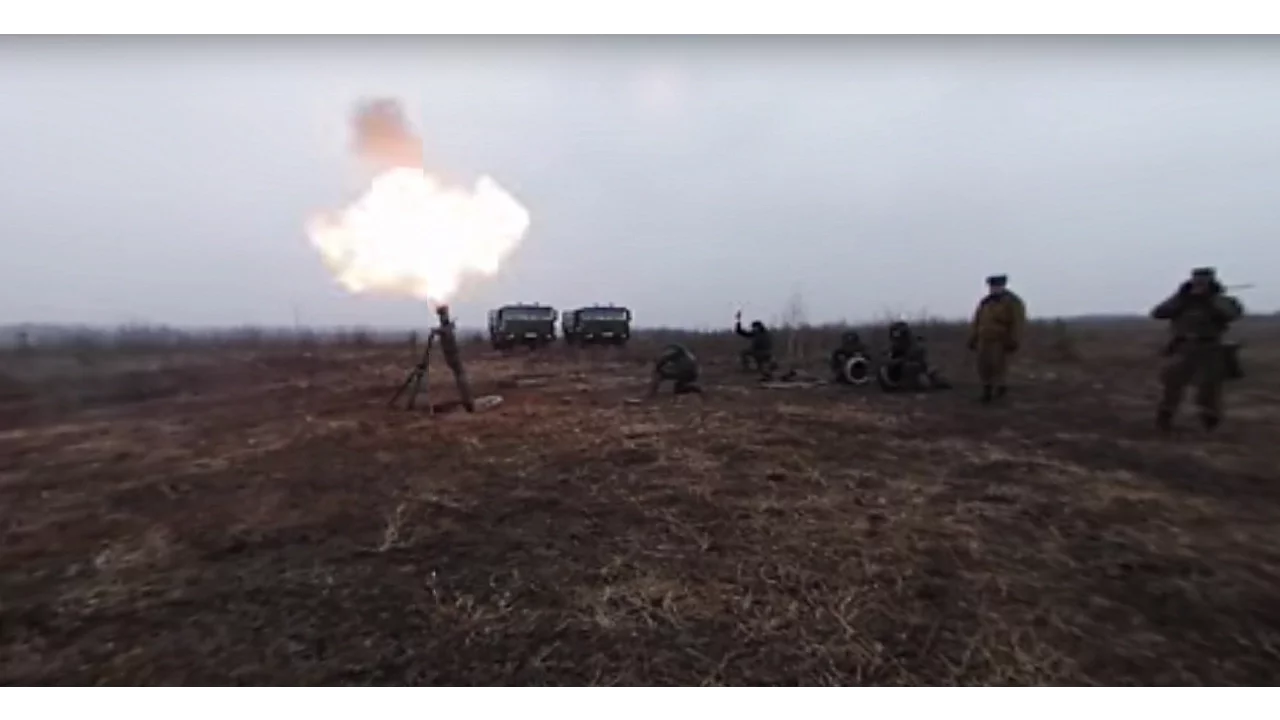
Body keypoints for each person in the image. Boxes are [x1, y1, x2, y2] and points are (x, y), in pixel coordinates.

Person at [1150, 267, 1244, 432]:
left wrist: (1211, 298)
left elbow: (1232, 314)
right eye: (1197, 280)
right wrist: (1182, 297)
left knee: (1208, 390)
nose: (1199, 284)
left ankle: (1210, 423)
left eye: (1203, 281)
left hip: (1209, 348)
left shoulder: (1221, 300)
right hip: (1182, 347)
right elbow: (1158, 313)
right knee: (1171, 385)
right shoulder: (1183, 300)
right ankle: (1164, 420)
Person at [967, 274, 1027, 404]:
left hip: (1000, 340)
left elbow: (1018, 322)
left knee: (999, 366)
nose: (994, 289)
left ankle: (1000, 389)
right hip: (984, 339)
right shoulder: (985, 302)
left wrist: (1014, 340)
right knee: (983, 365)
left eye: (997, 286)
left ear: (1003, 286)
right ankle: (987, 390)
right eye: (992, 286)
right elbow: (977, 320)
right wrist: (972, 338)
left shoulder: (1012, 302)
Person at [878, 321, 950, 392]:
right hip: (897, 374)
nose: (897, 340)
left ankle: (934, 381)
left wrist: (900, 361)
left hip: (916, 371)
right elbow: (887, 358)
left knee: (913, 368)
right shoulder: (893, 348)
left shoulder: (915, 346)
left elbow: (918, 361)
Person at [734, 310, 776, 379]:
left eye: (754, 327)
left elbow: (756, 344)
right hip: (767, 353)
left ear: (758, 327)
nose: (753, 329)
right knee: (758, 361)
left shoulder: (759, 334)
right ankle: (765, 367)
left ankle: (747, 368)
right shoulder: (764, 333)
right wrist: (738, 321)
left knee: (744, 353)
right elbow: (741, 332)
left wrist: (738, 321)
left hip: (761, 352)